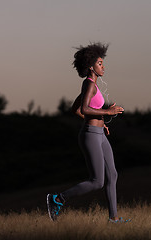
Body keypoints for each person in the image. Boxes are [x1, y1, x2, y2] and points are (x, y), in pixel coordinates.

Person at [47, 42, 130, 223]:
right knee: (97, 181)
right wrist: (108, 113)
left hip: (99, 134)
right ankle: (58, 199)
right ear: (91, 66)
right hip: (90, 135)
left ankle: (114, 219)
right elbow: (85, 109)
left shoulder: (93, 86)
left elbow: (75, 109)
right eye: (100, 63)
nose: (103, 66)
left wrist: (101, 123)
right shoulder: (89, 85)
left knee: (113, 175)